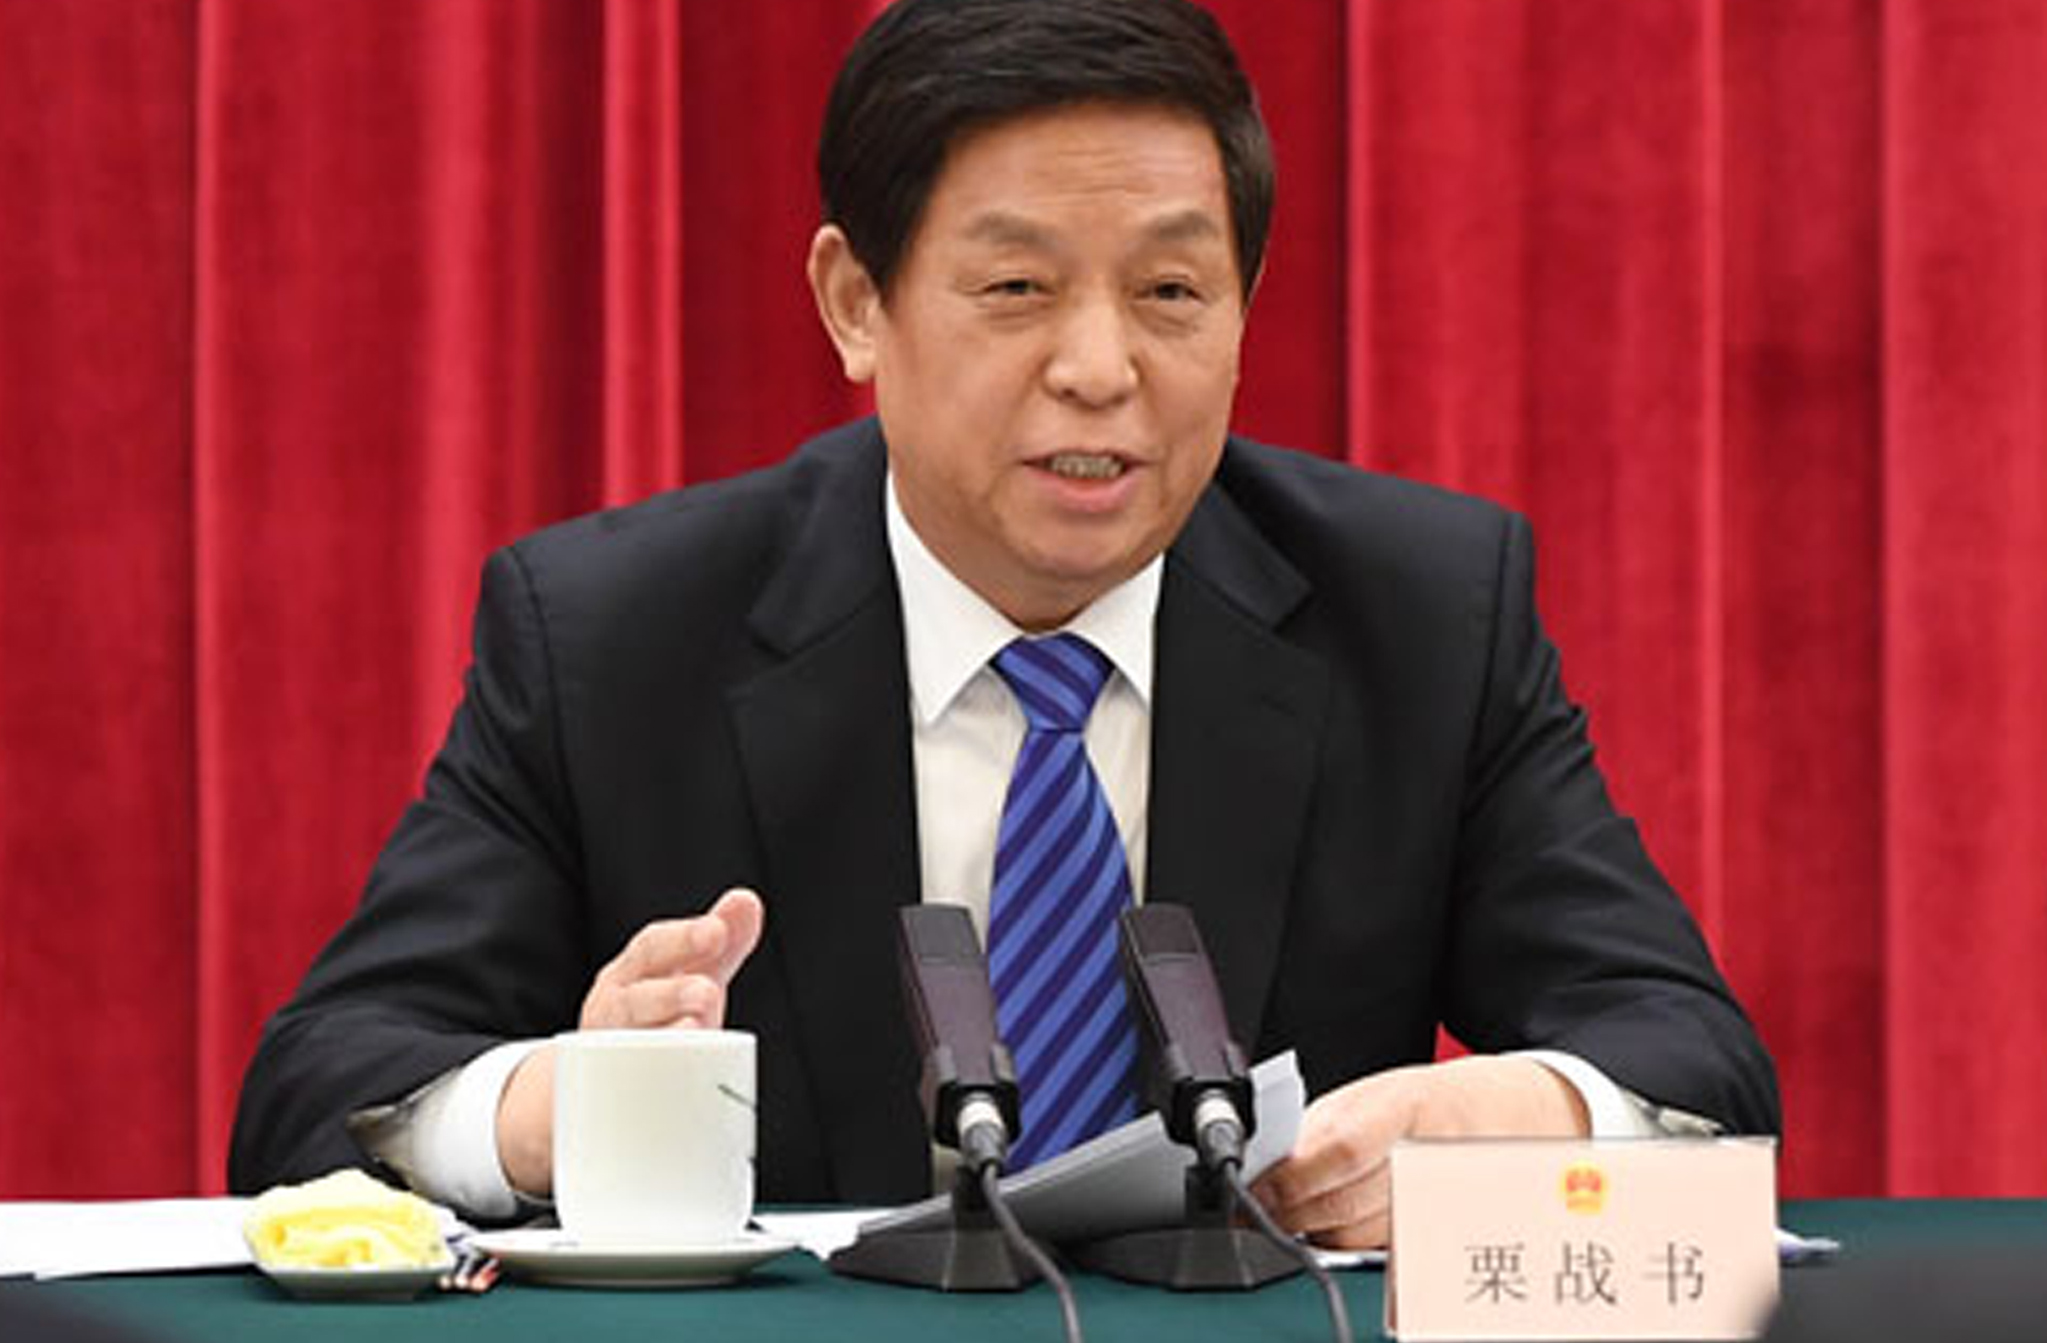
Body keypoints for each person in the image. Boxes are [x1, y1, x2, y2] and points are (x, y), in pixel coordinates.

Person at [229, 0, 1777, 1249]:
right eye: (1020, 287)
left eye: (1171, 293)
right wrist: (554, 1110)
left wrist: (1517, 1119)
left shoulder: (1422, 617)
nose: (1100, 369)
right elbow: (319, 1093)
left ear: (1246, 305)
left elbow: (1692, 1059)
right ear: (857, 302)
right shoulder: (616, 638)